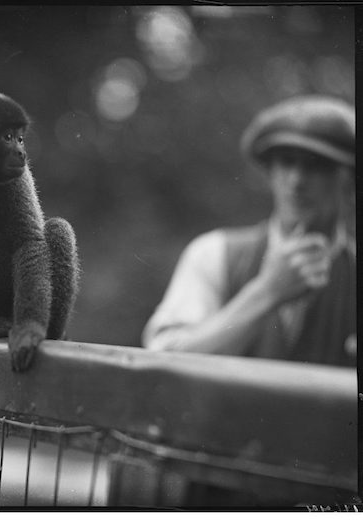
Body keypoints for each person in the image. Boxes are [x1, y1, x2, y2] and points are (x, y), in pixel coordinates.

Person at [142, 95, 355, 367]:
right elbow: (161, 364)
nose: (296, 181)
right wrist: (268, 291)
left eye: (316, 165)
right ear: (270, 172)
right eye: (287, 162)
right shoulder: (214, 253)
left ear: (348, 178)